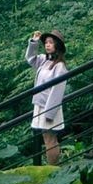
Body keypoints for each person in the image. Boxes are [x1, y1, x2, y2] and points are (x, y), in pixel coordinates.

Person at [25, 28, 67, 165]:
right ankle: (52, 168)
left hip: (49, 108)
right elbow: (30, 59)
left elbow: (57, 91)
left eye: (51, 42)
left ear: (57, 46)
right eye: (46, 42)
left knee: (50, 140)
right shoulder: (44, 60)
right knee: (46, 138)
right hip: (40, 105)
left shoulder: (60, 66)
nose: (48, 45)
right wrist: (34, 43)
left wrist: (49, 113)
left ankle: (52, 169)